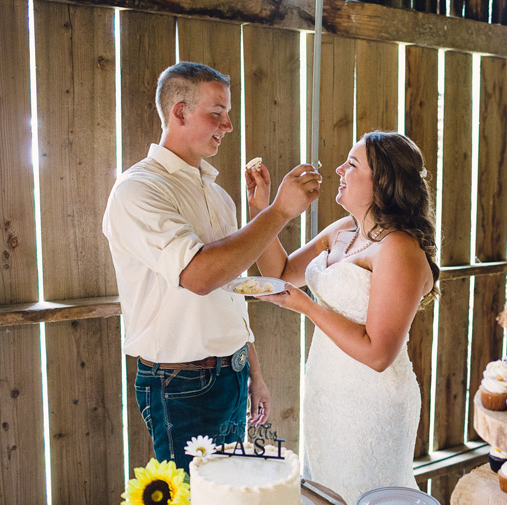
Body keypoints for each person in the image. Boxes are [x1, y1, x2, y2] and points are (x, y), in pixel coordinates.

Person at [102, 62, 322, 471]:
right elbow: (199, 277)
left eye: (228, 113)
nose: (229, 125)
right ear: (179, 112)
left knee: (226, 494)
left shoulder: (220, 196)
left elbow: (230, 291)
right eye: (216, 112)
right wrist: (277, 214)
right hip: (180, 385)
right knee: (192, 496)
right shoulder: (138, 190)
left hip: (233, 374)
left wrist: (251, 370)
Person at [253, 131, 437, 502]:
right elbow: (281, 275)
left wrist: (306, 306)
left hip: (371, 403)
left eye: (352, 164)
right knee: (324, 492)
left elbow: (378, 354)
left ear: (382, 183)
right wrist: (263, 209)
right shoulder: (343, 232)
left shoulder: (398, 247)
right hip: (327, 391)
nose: (339, 168)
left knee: (363, 494)